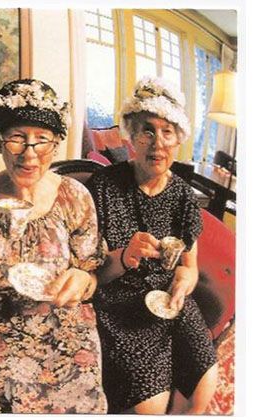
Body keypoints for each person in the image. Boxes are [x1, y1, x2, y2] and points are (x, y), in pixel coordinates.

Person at [0, 79, 107, 413]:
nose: (29, 153)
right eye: (17, 138)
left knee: (85, 402)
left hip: (63, 323)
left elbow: (92, 275)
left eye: (42, 141)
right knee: (8, 402)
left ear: (55, 146)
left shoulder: (74, 196)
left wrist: (83, 280)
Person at [86, 76, 218, 414]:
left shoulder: (184, 196)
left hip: (168, 301)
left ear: (178, 142)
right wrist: (124, 257)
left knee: (204, 390)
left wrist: (182, 287)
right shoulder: (104, 186)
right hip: (121, 304)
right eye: (147, 130)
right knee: (150, 407)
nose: (157, 143)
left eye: (167, 132)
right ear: (131, 137)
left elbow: (189, 268)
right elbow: (90, 274)